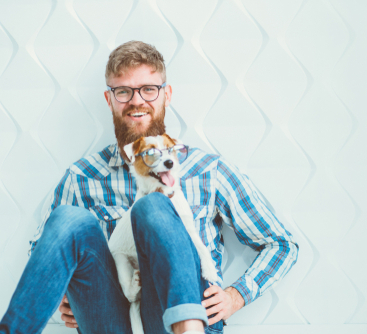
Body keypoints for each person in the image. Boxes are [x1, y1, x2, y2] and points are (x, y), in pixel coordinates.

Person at [0, 41, 298, 334]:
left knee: (153, 204)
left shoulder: (209, 170)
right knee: (68, 218)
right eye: (123, 91)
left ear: (166, 95)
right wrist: (63, 296)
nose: (136, 100)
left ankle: (187, 327)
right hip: (111, 319)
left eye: (148, 89)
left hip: (174, 319)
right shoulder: (82, 176)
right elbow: (42, 249)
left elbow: (281, 243)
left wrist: (236, 296)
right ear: (109, 99)